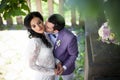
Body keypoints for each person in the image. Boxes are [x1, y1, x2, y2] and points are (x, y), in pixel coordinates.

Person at [24, 11, 60, 80]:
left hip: (53, 75)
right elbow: (31, 65)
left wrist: (58, 62)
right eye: (34, 26)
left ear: (42, 21)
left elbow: (50, 56)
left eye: (39, 23)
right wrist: (51, 71)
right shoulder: (34, 42)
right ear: (31, 29)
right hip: (43, 77)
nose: (38, 27)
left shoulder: (45, 35)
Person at [45, 14, 79, 80]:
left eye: (48, 27)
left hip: (66, 68)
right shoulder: (42, 31)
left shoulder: (70, 38)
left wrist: (64, 67)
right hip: (49, 67)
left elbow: (73, 55)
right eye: (45, 24)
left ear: (56, 31)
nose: (44, 28)